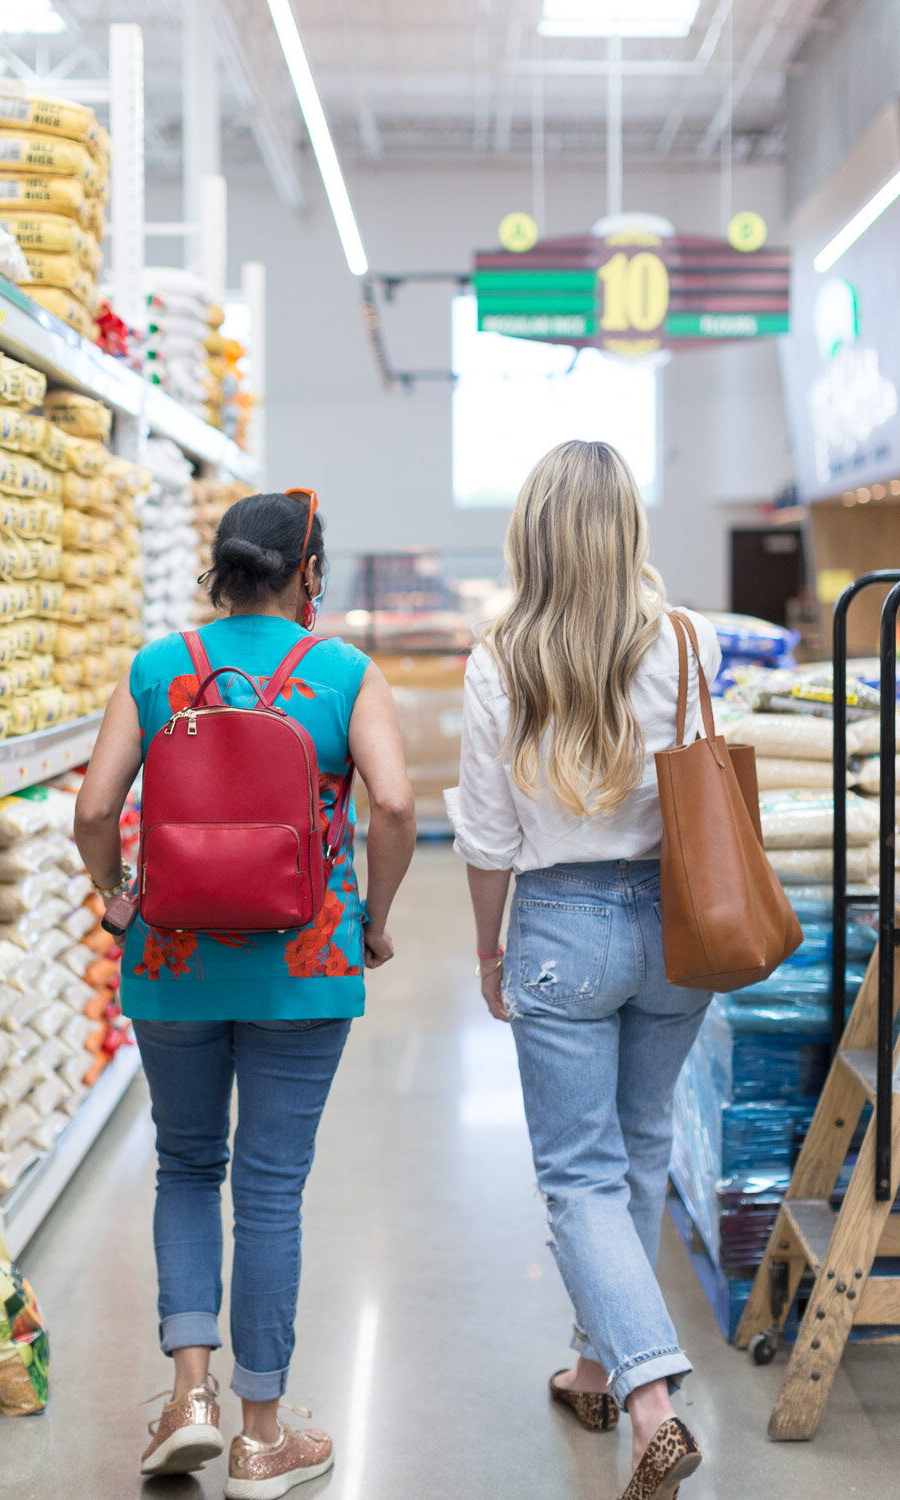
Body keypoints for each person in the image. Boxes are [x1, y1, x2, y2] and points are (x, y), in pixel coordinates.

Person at [75, 489, 416, 1499]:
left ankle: (188, 1397)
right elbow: (393, 803)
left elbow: (96, 808)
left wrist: (118, 897)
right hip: (305, 967)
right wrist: (376, 919)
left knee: (186, 1169)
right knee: (270, 1187)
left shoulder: (157, 668)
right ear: (307, 572)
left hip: (170, 963)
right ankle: (263, 1437)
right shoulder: (344, 673)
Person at [445, 441, 719, 1500]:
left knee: (577, 1173)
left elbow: (483, 836)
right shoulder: (683, 641)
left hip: (560, 926)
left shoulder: (497, 659)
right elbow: (703, 784)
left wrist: (487, 946)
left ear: (534, 535)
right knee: (637, 1146)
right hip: (674, 925)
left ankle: (647, 1395)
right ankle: (595, 1367)